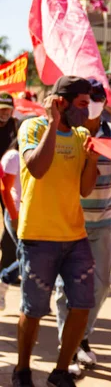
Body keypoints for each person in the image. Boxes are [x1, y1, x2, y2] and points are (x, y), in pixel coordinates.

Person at [13, 76, 99, 387]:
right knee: (33, 309)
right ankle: (22, 370)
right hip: (38, 238)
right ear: (60, 102)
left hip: (75, 238)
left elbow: (85, 190)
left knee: (83, 304)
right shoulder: (32, 128)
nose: (86, 112)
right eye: (81, 104)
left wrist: (91, 161)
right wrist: (52, 123)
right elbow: (36, 168)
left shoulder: (79, 136)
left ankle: (60, 371)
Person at [54, 78, 111, 376]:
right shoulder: (70, 133)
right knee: (66, 289)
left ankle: (81, 336)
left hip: (103, 221)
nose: (93, 103)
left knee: (101, 286)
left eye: (98, 97)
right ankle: (71, 347)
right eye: (88, 98)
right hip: (70, 222)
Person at [0, 92, 20, 286]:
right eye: (2, 109)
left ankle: (7, 268)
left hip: (9, 181)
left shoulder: (16, 125)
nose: (5, 113)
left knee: (10, 224)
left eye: (8, 109)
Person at [0, 137, 20, 310]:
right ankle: (4, 279)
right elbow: (5, 190)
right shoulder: (13, 157)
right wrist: (14, 217)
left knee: (30, 257)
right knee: (28, 256)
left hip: (32, 215)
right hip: (17, 215)